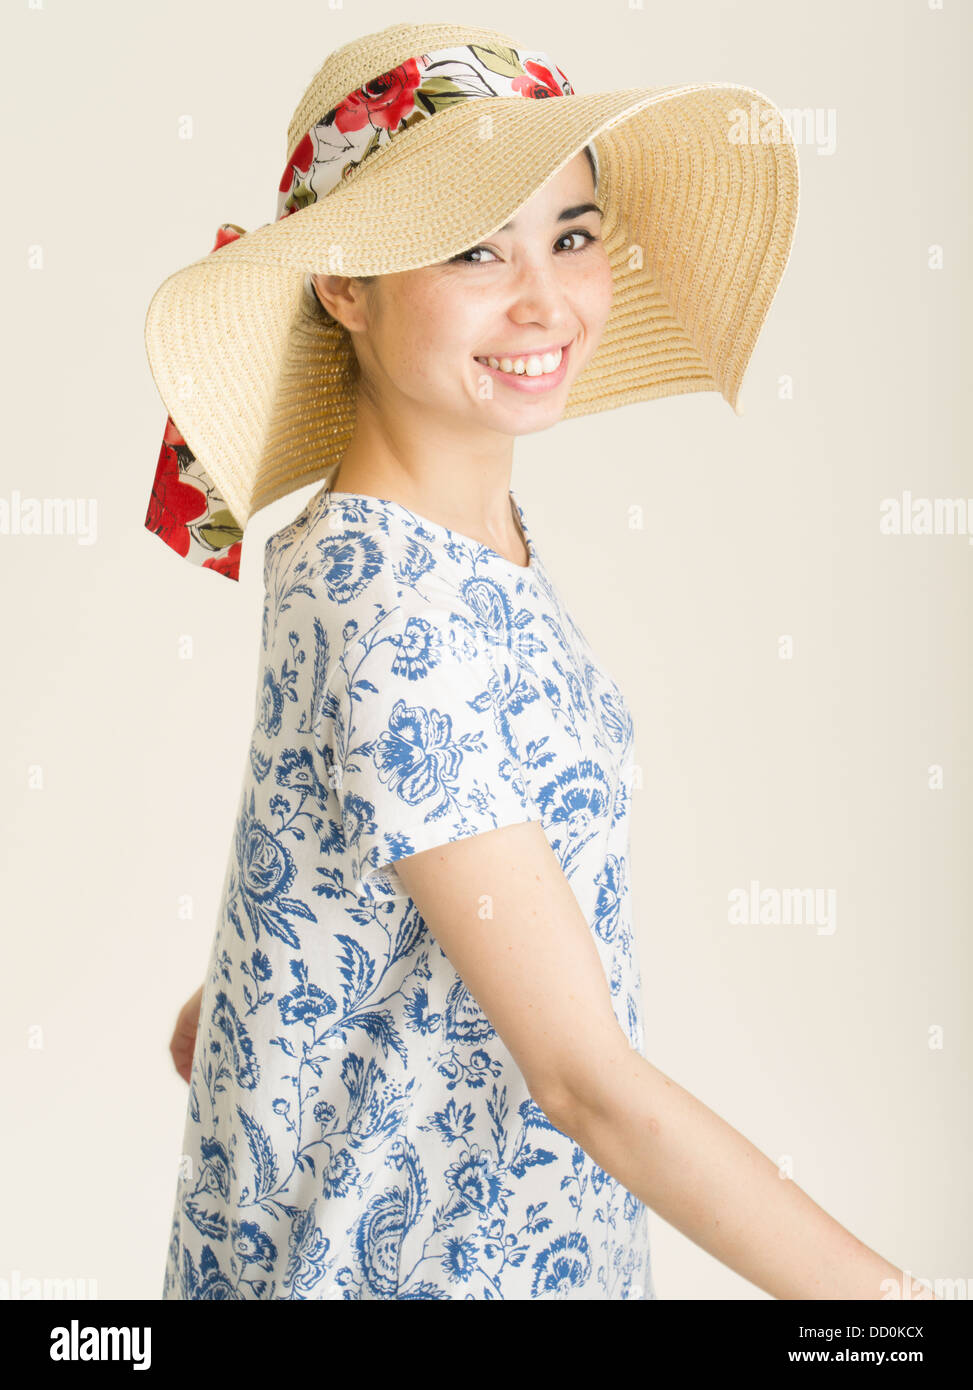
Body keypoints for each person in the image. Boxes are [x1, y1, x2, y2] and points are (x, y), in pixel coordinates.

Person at [148, 21, 927, 1300]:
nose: (545, 300)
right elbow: (584, 1083)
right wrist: (892, 1312)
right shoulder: (390, 597)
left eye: (570, 235)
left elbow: (309, 919)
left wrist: (282, 995)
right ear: (344, 284)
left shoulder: (445, 543)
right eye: (473, 249)